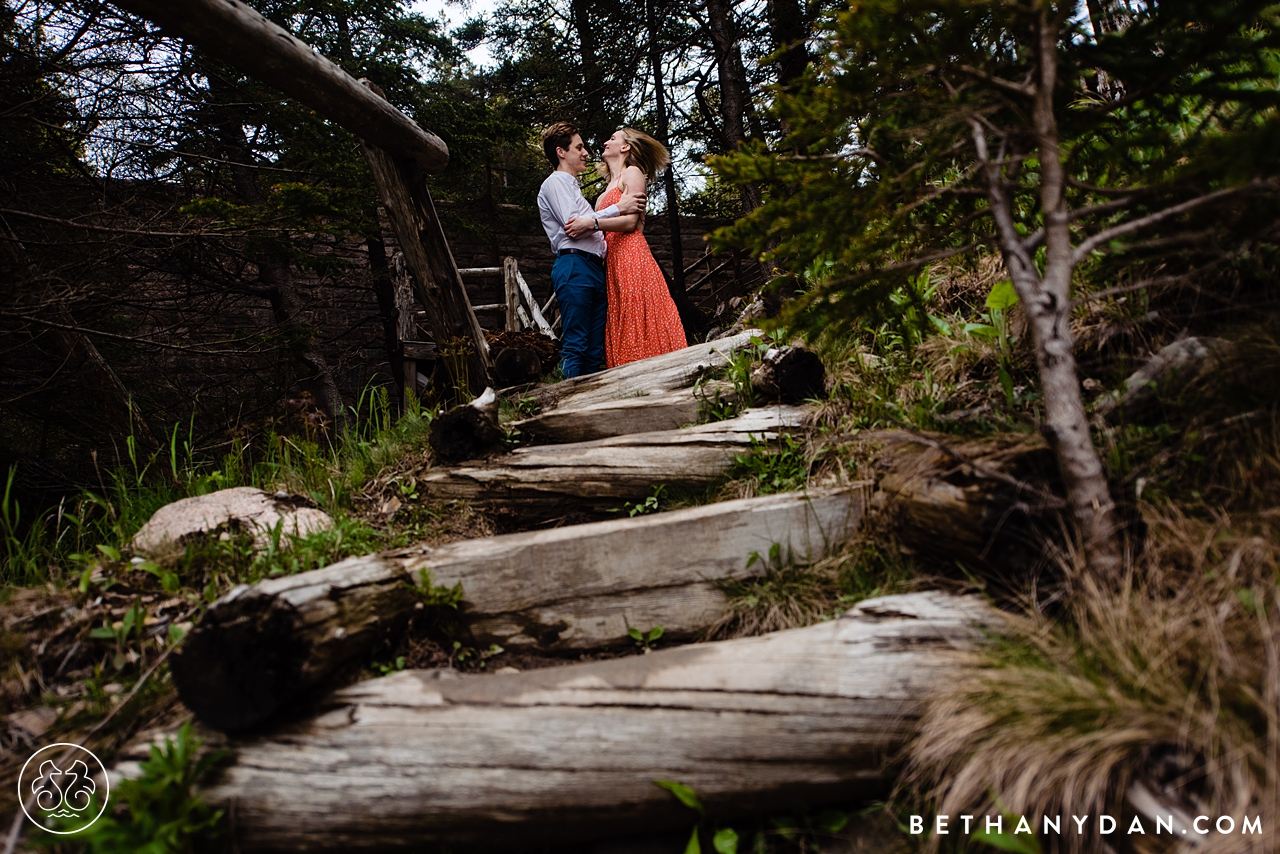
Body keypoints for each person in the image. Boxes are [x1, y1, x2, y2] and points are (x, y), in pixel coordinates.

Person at [566, 128, 686, 369]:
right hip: (611, 262)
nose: (605, 141)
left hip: (632, 255)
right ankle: (628, 377)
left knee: (639, 313)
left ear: (625, 147)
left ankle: (659, 370)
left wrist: (591, 222)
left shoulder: (632, 173)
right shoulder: (602, 196)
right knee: (621, 318)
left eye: (612, 138)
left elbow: (631, 223)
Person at [536, 122, 646, 378]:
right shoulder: (556, 183)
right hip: (575, 267)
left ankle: (588, 404)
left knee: (595, 349)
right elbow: (574, 224)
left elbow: (592, 226)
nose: (586, 152)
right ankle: (565, 405)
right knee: (576, 342)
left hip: (594, 270)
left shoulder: (573, 187)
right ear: (561, 152)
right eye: (579, 147)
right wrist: (619, 207)